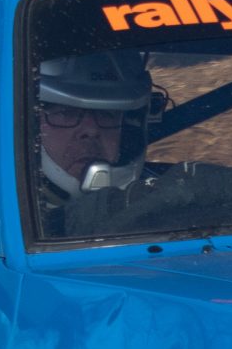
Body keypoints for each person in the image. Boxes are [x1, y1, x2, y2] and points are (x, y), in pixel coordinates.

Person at [33, 50, 153, 229]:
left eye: (106, 114)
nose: (91, 130)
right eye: (66, 113)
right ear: (31, 128)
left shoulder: (161, 203)